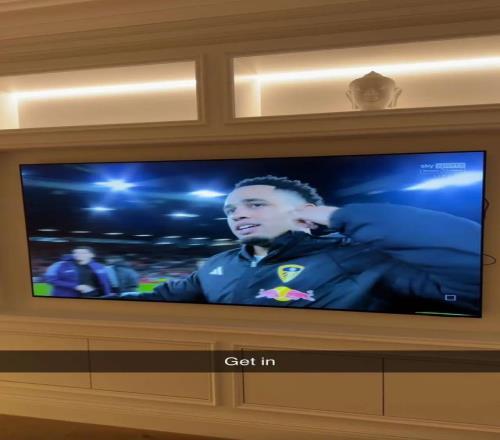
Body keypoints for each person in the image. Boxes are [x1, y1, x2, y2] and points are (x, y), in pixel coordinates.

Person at [120, 175, 481, 315]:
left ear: (307, 212)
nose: (238, 214)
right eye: (231, 210)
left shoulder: (363, 260)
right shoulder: (219, 264)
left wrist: (341, 216)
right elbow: (158, 300)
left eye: (255, 204)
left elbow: (476, 279)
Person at [44, 246, 111, 298]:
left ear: (92, 255)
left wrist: (107, 294)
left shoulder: (100, 266)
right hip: (66, 296)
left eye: (83, 253)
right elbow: (50, 280)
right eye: (75, 252)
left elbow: (105, 282)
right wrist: (75, 286)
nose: (78, 254)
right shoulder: (60, 264)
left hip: (94, 295)